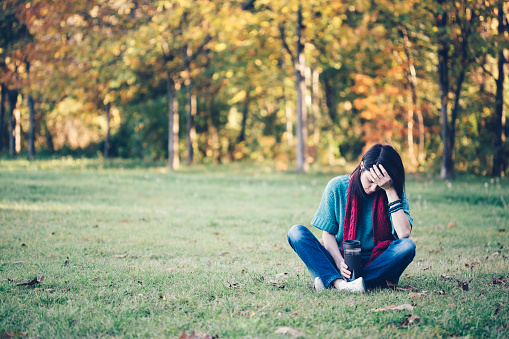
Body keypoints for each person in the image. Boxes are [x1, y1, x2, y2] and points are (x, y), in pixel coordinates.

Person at [287, 144, 415, 293]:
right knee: (296, 232)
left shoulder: (394, 194)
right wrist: (340, 262)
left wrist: (390, 191)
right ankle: (342, 282)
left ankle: (333, 281)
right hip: (340, 261)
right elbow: (328, 234)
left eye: (380, 183)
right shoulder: (337, 186)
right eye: (370, 180)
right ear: (362, 166)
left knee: (407, 247)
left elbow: (404, 234)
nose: (374, 188)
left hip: (377, 263)